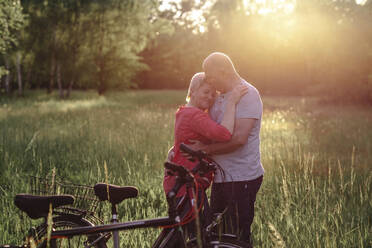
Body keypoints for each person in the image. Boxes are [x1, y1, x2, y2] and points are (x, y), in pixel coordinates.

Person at [188, 52, 264, 247]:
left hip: (242, 178)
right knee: (217, 236)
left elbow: (238, 139)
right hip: (221, 178)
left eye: (210, 76)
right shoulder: (220, 96)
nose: (209, 81)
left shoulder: (248, 94)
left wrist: (204, 149)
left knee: (237, 236)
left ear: (223, 71)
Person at [163, 72, 248, 241]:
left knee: (184, 235)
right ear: (192, 91)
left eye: (213, 94)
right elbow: (224, 134)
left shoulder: (185, 112)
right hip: (185, 186)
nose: (210, 97)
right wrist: (232, 102)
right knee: (194, 238)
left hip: (184, 184)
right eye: (205, 92)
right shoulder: (194, 115)